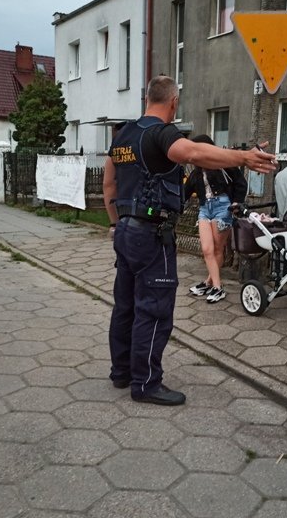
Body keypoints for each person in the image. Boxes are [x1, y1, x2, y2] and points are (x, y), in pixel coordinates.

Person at [102, 75, 276, 406]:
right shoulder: (160, 133)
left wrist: (115, 223)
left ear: (147, 99)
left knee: (125, 306)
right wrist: (243, 157)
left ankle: (121, 372)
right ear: (173, 102)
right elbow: (193, 152)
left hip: (124, 231)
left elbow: (109, 184)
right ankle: (146, 384)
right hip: (152, 235)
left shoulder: (123, 134)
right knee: (153, 309)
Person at [184, 134, 248, 303]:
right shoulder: (196, 173)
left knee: (218, 249)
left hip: (223, 207)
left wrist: (237, 202)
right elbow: (184, 193)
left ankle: (216, 287)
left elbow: (241, 183)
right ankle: (212, 284)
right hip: (204, 209)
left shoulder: (222, 164)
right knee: (207, 249)